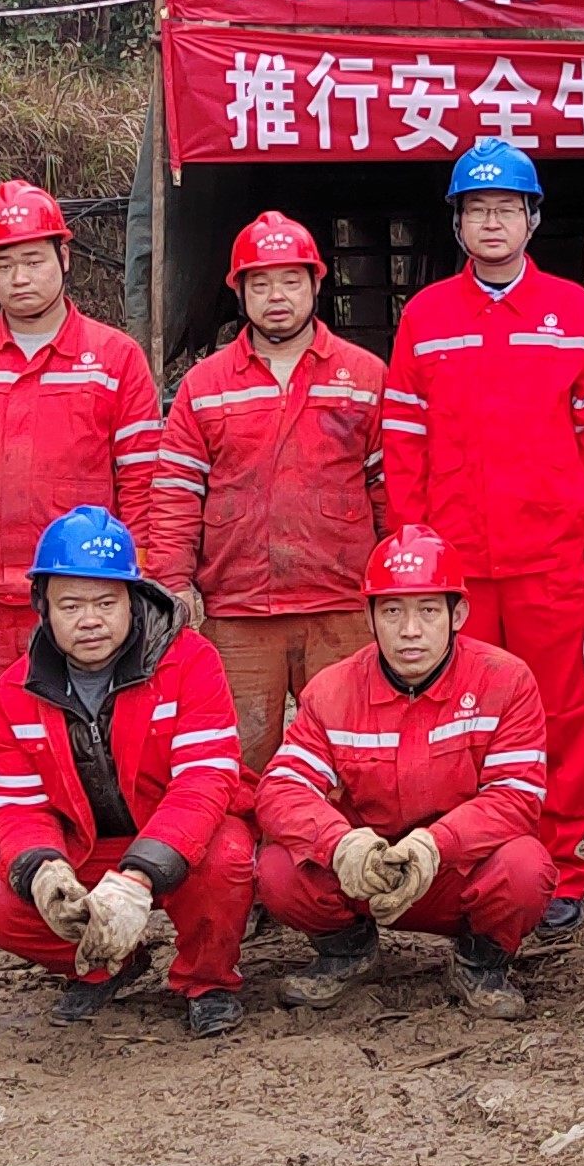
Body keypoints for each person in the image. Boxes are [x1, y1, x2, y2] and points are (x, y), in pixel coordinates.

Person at [381, 139, 584, 935]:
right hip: (456, 564)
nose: (491, 223)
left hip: (551, 556)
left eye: (506, 209)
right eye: (476, 209)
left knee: (561, 712)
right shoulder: (426, 316)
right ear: (457, 223)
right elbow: (403, 438)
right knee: (465, 714)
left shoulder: (572, 312)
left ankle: (563, 868)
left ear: (532, 218)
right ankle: (473, 858)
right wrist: (413, 543)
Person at [0, 179, 165, 848]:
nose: (20, 277)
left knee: (86, 739)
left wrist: (143, 580)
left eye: (34, 260)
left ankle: (92, 863)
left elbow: (142, 481)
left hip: (83, 596)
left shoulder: (115, 359)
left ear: (64, 259)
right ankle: (5, 859)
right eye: (4, 263)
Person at [0, 506, 258, 1036]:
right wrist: (43, 869)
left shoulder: (190, 660)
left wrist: (140, 875)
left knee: (227, 858)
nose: (90, 620)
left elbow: (204, 781)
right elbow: (16, 805)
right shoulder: (15, 690)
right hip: (85, 847)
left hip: (180, 836)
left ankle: (207, 979)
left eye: (105, 602)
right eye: (70, 605)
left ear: (133, 599)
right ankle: (105, 962)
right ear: (42, 607)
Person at [257, 526, 551, 1021]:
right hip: (364, 873)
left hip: (454, 872)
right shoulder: (332, 690)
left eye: (428, 611)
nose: (410, 630)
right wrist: (341, 845)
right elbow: (281, 788)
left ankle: (480, 962)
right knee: (278, 869)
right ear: (369, 618)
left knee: (525, 868)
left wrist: (437, 845)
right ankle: (348, 951)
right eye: (392, 611)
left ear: (458, 615)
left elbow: (517, 796)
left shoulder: (505, 680)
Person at [149, 211, 386, 770]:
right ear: (239, 293)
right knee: (239, 762)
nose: (276, 296)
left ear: (316, 284)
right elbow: (177, 491)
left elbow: (389, 490)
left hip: (342, 606)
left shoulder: (365, 377)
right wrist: (171, 581)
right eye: (260, 283)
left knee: (350, 759)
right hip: (239, 611)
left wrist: (395, 588)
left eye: (290, 280)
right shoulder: (205, 386)